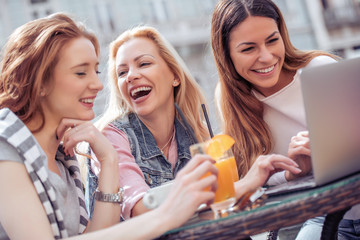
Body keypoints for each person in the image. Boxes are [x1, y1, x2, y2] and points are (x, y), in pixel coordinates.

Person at [0, 13, 220, 240]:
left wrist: (109, 160)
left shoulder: (62, 158)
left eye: (96, 72)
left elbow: (99, 235)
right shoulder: (5, 146)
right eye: (80, 73)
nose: (98, 85)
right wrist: (166, 215)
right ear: (40, 82)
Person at [86, 25, 302, 221]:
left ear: (174, 76)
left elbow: (224, 205)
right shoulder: (112, 138)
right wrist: (242, 186)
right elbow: (142, 209)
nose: (131, 76)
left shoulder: (197, 136)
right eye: (122, 72)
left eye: (144, 63)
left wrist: (286, 175)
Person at [210, 0, 359, 239]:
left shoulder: (319, 69)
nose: (266, 57)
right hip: (325, 215)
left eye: (272, 40)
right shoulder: (233, 102)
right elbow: (255, 179)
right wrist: (293, 173)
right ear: (226, 55)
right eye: (248, 49)